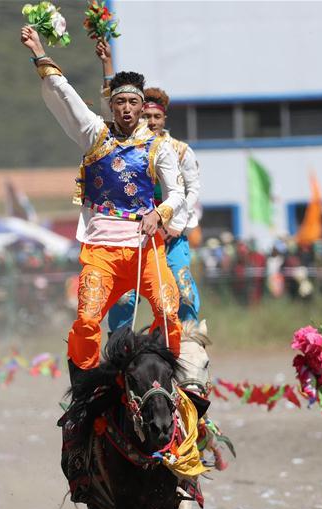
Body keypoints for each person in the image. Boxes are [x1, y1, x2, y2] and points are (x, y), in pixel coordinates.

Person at [19, 25, 186, 387]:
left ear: (143, 107)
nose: (127, 109)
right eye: (120, 102)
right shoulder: (95, 135)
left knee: (169, 310)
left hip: (145, 249)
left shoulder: (159, 148)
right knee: (87, 320)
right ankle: (84, 387)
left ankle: (171, 379)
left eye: (134, 103)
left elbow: (176, 194)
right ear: (112, 104)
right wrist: (39, 51)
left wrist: (159, 213)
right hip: (101, 251)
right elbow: (66, 95)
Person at [92, 40, 203, 332]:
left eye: (157, 117)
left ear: (164, 118)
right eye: (147, 116)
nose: (151, 121)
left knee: (182, 290)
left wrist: (172, 224)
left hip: (171, 232)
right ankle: (120, 349)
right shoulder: (129, 146)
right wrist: (107, 64)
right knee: (124, 299)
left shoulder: (179, 151)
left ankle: (189, 350)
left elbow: (191, 192)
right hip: (134, 235)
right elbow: (112, 101)